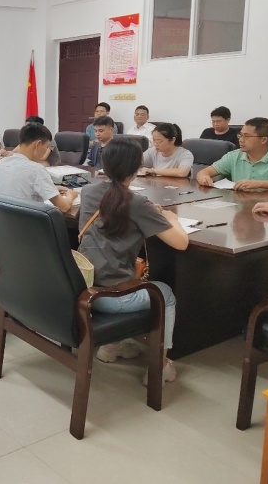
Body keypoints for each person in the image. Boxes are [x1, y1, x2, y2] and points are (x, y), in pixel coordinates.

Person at [78, 138, 189, 384]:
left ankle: (112, 346)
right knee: (165, 293)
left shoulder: (87, 191)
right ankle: (160, 365)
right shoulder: (137, 203)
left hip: (83, 286)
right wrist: (171, 218)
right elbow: (181, 243)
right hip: (112, 298)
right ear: (137, 168)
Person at [0, 123, 79, 212]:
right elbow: (64, 207)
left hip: (1, 219)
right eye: (46, 146)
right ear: (38, 144)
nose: (45, 150)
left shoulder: (1, 163)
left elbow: (18, 187)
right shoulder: (36, 169)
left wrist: (51, 190)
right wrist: (71, 195)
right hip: (27, 220)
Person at [196, 118, 268, 191]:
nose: (241, 140)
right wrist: (204, 177)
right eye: (240, 135)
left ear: (263, 140)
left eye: (246, 136)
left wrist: (260, 184)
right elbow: (203, 172)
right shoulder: (234, 156)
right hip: (240, 203)